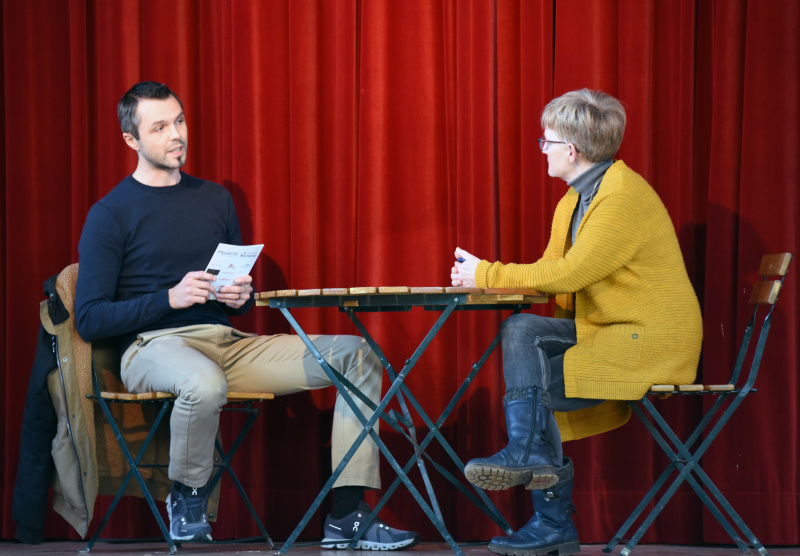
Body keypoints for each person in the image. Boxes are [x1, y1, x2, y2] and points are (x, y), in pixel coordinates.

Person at [75, 81, 418, 550]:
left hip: (226, 343)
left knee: (357, 355)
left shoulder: (215, 199)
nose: (176, 134)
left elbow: (233, 293)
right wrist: (169, 298)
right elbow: (90, 319)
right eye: (159, 127)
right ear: (131, 140)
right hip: (152, 347)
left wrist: (239, 295)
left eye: (179, 120)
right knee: (203, 382)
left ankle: (346, 515)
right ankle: (188, 498)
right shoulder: (110, 213)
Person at [450, 89, 702, 556]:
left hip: (651, 338)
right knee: (521, 330)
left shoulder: (621, 199)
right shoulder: (574, 200)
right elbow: (553, 272)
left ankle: (550, 517)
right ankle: (531, 456)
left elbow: (569, 274)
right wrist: (485, 277)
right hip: (612, 329)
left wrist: (487, 274)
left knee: (537, 386)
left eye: (545, 142)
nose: (541, 150)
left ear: (571, 150)